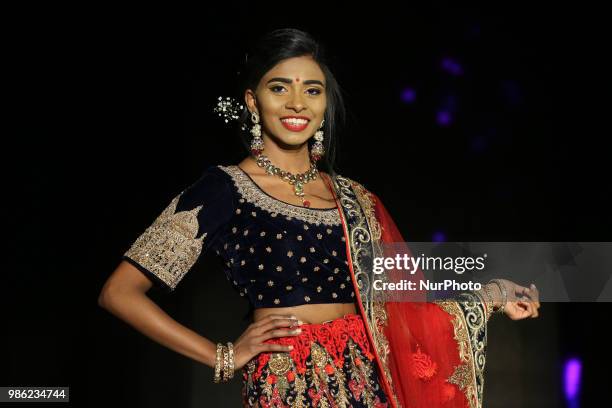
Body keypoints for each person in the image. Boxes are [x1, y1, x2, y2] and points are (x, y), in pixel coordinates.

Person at [98, 28, 540, 408]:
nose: (297, 104)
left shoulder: (353, 198)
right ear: (253, 101)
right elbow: (120, 292)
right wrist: (223, 355)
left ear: (325, 102)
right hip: (287, 385)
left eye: (312, 89)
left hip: (367, 379)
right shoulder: (221, 189)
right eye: (279, 88)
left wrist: (493, 295)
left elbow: (406, 306)